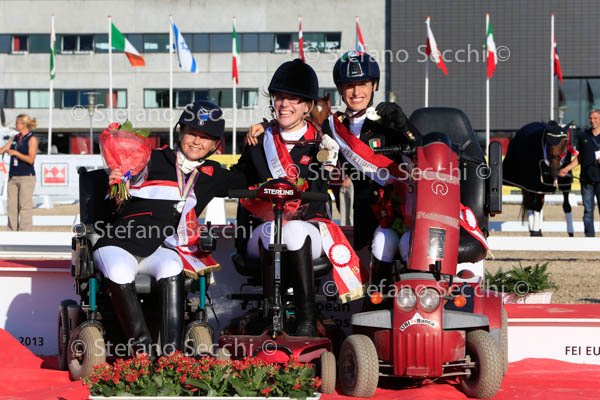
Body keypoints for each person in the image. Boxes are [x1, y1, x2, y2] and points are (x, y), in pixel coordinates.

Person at [246, 51, 420, 294]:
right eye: (349, 86)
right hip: (368, 217)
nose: (356, 92)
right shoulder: (332, 127)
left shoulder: (388, 120)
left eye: (363, 84)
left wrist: (405, 127)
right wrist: (266, 125)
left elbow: (423, 153)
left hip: (406, 210)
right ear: (340, 89)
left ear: (374, 86)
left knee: (406, 249)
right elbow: (295, 124)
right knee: (379, 259)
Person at [93, 101, 244, 355]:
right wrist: (117, 185)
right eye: (192, 133)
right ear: (180, 132)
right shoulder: (149, 158)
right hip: (120, 243)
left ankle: (171, 355)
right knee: (119, 270)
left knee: (172, 266)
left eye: (206, 137)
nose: (197, 141)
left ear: (215, 145)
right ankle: (141, 352)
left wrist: (258, 136)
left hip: (160, 249)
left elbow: (248, 179)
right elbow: (113, 204)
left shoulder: (213, 174)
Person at [231, 59, 350, 337]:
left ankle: (307, 319)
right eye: (279, 97)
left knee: (293, 229)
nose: (284, 104)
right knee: (275, 230)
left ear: (307, 106)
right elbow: (235, 179)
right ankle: (270, 315)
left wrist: (329, 164)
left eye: (293, 99)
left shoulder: (323, 144)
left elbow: (323, 190)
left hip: (310, 229)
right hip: (264, 231)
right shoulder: (259, 141)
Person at [560, 110, 600, 237]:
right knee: (588, 211)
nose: (592, 121)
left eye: (595, 118)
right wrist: (566, 169)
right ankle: (589, 238)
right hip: (586, 180)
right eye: (590, 118)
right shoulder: (583, 136)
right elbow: (580, 158)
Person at [0, 114, 39, 231]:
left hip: (26, 177)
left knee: (24, 206)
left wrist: (16, 153)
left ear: (24, 124)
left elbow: (31, 159)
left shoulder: (32, 139)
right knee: (11, 207)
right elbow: (2, 149)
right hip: (13, 177)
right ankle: (12, 232)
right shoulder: (15, 138)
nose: (15, 124)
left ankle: (24, 233)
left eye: (17, 122)